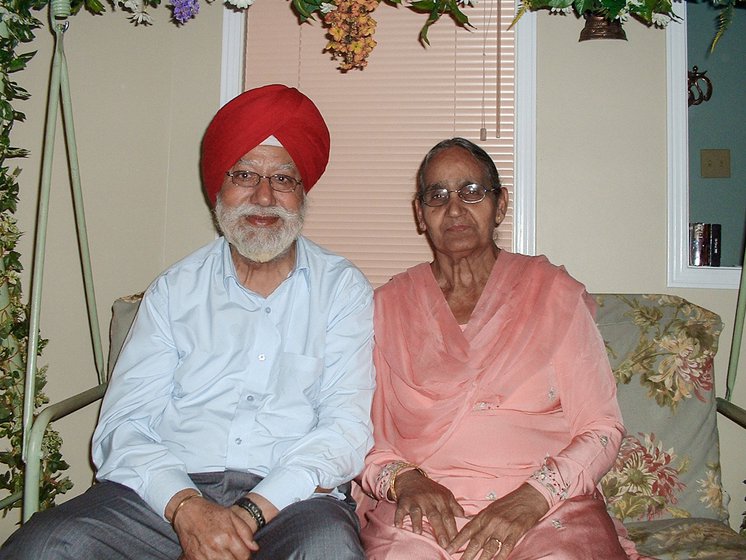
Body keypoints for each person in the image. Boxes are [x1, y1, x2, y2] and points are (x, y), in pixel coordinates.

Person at [1, 84, 375, 560]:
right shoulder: (175, 290)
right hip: (163, 496)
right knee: (47, 545)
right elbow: (124, 423)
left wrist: (250, 513)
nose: (263, 196)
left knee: (329, 549)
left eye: (283, 179)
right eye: (244, 174)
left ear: (302, 194)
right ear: (217, 188)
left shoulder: (342, 289)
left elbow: (344, 429)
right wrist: (186, 507)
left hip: (290, 501)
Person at [357, 137, 648, 560]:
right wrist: (404, 481)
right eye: (437, 196)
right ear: (420, 214)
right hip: (424, 508)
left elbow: (601, 429)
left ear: (501, 204)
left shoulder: (553, 296)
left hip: (545, 507)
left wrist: (533, 498)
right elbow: (362, 435)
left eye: (472, 191)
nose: (454, 208)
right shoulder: (386, 308)